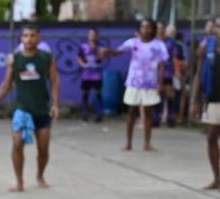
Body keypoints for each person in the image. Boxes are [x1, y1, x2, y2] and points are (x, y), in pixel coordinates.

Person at [0, 25, 60, 192]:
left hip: (42, 109)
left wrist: (56, 104)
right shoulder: (14, 59)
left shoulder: (47, 58)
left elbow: (55, 81)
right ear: (21, 39)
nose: (29, 39)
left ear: (39, 38)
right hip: (21, 109)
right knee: (17, 144)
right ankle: (19, 181)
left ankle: (40, 175)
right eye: (25, 36)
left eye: (32, 35)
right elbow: (7, 84)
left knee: (43, 148)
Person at [106, 19, 169, 151]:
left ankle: (147, 143)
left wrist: (160, 82)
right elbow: (119, 51)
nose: (145, 30)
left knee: (148, 114)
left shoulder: (159, 45)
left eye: (148, 27)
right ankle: (128, 143)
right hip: (133, 82)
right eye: (143, 27)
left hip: (150, 84)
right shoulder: (133, 42)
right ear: (139, 29)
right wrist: (108, 51)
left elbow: (162, 64)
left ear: (153, 29)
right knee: (131, 112)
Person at [192, 16, 220, 193]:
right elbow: (198, 75)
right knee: (211, 137)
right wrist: (195, 100)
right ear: (213, 29)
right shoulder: (206, 49)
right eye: (218, 26)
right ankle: (216, 179)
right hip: (213, 99)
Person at [154, 24, 185, 128]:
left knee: (170, 96)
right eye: (158, 28)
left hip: (168, 73)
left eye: (162, 28)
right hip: (155, 73)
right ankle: (155, 118)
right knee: (157, 96)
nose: (160, 30)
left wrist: (177, 72)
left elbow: (175, 58)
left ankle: (170, 118)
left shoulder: (171, 42)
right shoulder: (152, 42)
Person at [77, 28, 105, 123]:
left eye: (94, 34)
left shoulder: (100, 46)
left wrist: (96, 49)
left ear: (97, 35)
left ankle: (99, 114)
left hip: (97, 75)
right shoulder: (83, 46)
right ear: (88, 35)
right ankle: (85, 114)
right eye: (91, 34)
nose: (92, 36)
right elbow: (79, 57)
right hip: (86, 74)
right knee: (85, 93)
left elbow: (101, 57)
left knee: (98, 94)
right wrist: (83, 64)